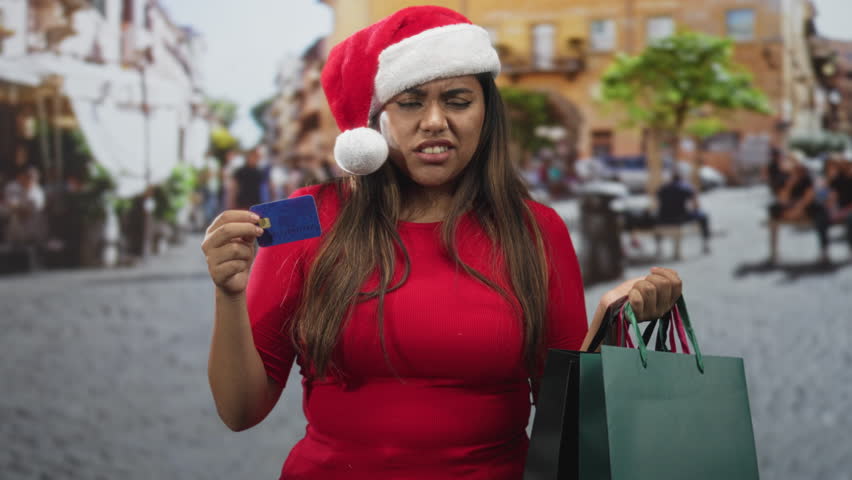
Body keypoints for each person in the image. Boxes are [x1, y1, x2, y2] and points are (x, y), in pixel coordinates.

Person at [201, 6, 684, 479]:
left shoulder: (537, 229)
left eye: (457, 99)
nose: (434, 120)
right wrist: (229, 293)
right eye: (410, 102)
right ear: (376, 121)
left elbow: (570, 419)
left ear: (485, 113)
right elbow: (240, 411)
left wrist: (608, 324)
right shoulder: (306, 215)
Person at [768, 159, 831, 262]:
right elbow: (782, 198)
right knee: (772, 208)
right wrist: (790, 184)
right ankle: (773, 251)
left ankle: (824, 251)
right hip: (790, 207)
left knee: (821, 214)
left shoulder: (808, 179)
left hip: (804, 207)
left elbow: (809, 197)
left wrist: (797, 210)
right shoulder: (784, 179)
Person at [656, 171, 711, 253]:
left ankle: (659, 247)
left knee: (655, 218)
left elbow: (657, 204)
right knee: (703, 216)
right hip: (680, 218)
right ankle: (705, 245)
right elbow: (696, 206)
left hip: (663, 218)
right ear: (681, 179)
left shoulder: (663, 188)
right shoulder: (685, 188)